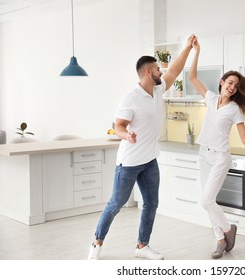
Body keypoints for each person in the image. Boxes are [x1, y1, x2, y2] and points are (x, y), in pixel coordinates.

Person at [88, 34, 197, 260]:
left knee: (151, 203)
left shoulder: (157, 91)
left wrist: (187, 48)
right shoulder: (130, 98)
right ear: (148, 72)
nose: (161, 72)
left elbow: (175, 70)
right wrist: (127, 135)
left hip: (149, 160)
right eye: (158, 69)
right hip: (128, 163)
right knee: (115, 204)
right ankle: (96, 243)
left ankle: (142, 246)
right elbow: (118, 126)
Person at [189, 38, 245, 259]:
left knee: (206, 200)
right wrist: (197, 51)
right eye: (229, 82)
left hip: (221, 158)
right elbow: (192, 77)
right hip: (204, 155)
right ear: (221, 82)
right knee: (208, 201)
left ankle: (229, 229)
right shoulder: (210, 99)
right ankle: (220, 239)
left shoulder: (235, 109)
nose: (232, 86)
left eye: (235, 85)